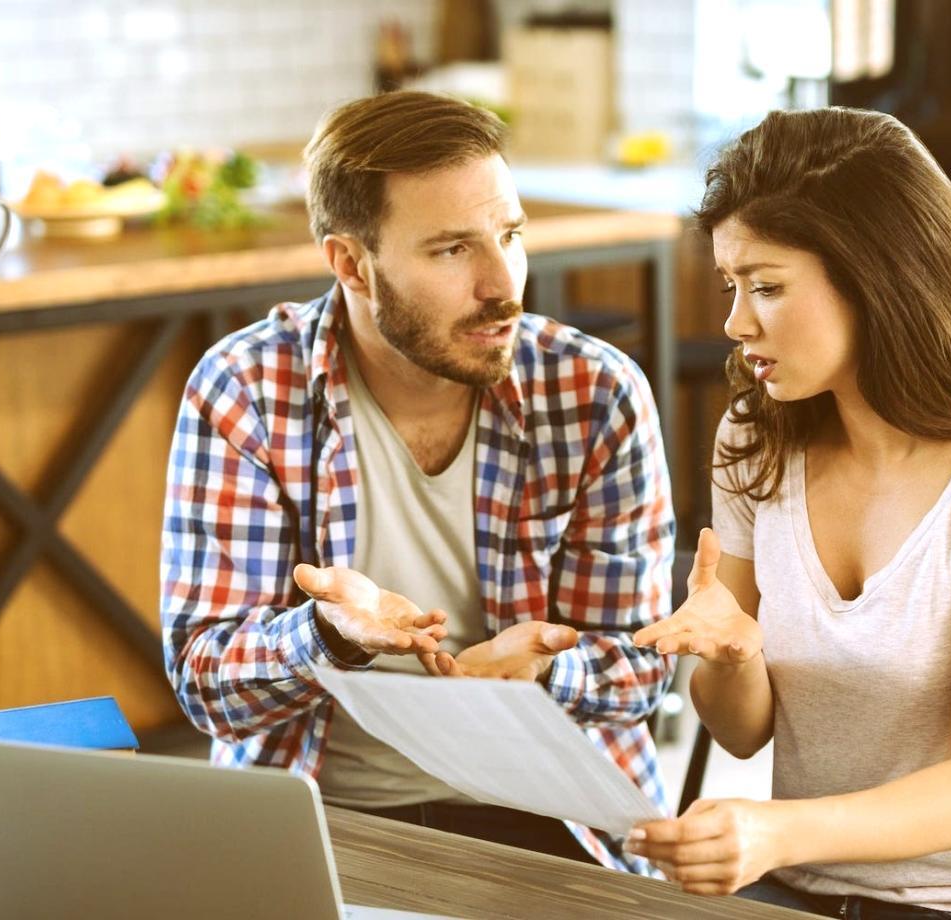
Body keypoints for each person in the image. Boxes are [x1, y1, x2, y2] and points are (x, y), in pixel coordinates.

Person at [160, 91, 674, 872]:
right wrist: (327, 636)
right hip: (329, 820)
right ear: (350, 265)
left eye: (509, 235)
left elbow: (640, 671)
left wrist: (545, 666)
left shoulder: (596, 393)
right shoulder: (246, 389)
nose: (504, 283)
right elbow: (207, 686)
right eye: (451, 250)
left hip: (555, 820)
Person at [626, 107, 951, 919]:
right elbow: (741, 732)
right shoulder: (756, 439)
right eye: (732, 286)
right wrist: (734, 654)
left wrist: (776, 833)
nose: (734, 322)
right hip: (809, 896)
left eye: (768, 287)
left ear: (876, 276)